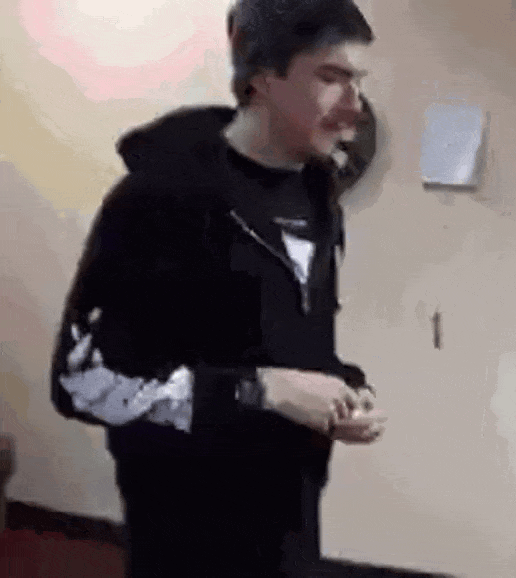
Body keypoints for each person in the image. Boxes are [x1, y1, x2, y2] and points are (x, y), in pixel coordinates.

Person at [48, 1, 387, 575]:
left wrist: (344, 390)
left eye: (359, 81)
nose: (355, 106)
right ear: (263, 75)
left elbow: (285, 351)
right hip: (185, 538)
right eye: (332, 78)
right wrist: (260, 391)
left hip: (289, 529)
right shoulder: (157, 198)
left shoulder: (318, 199)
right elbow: (80, 382)